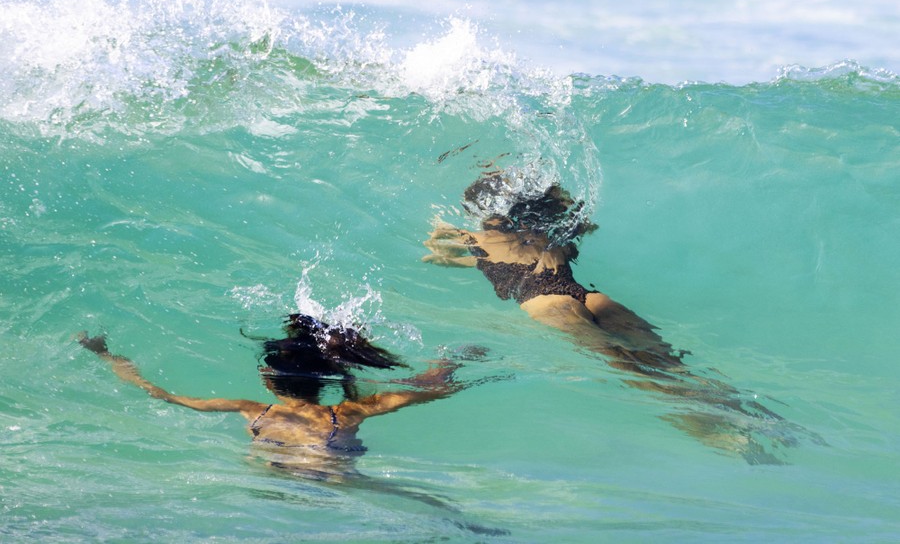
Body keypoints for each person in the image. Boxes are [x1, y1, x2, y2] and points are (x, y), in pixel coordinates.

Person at [423, 170, 815, 463]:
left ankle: (726, 441)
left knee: (631, 373)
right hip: (591, 297)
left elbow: (438, 255)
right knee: (669, 364)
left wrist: (463, 250)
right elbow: (582, 228)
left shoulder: (473, 237)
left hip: (545, 302)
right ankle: (764, 418)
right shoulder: (549, 228)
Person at [78, 313, 471, 481]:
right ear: (324, 381)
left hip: (273, 477)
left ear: (268, 382)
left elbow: (160, 394)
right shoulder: (348, 411)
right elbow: (424, 391)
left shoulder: (251, 409)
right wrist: (451, 361)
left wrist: (105, 354)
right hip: (332, 475)